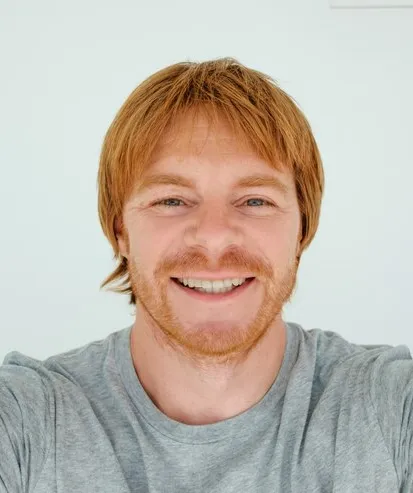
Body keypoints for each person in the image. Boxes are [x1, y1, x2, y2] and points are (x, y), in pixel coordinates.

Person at [1, 58, 412, 493]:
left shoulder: (390, 407)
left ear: (302, 231)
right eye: (171, 200)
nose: (214, 237)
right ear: (120, 231)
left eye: (255, 201)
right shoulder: (26, 420)